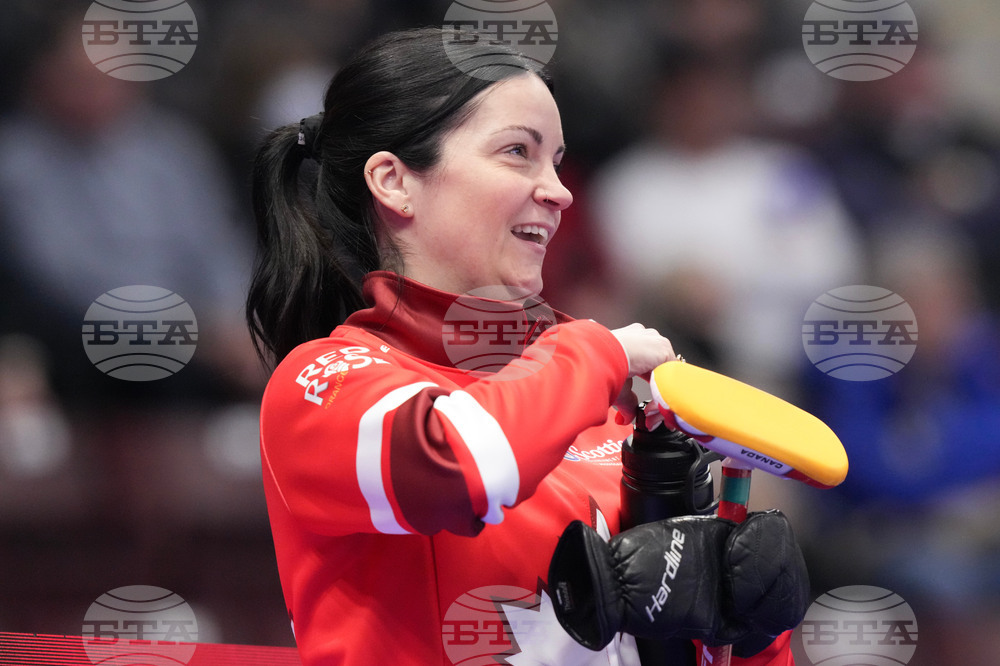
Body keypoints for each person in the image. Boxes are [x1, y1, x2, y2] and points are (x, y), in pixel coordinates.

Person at [247, 28, 807, 665]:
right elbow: (458, 467)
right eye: (518, 152)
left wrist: (748, 632)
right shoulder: (320, 380)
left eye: (558, 161)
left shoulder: (600, 400)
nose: (559, 191)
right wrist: (596, 351)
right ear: (394, 182)